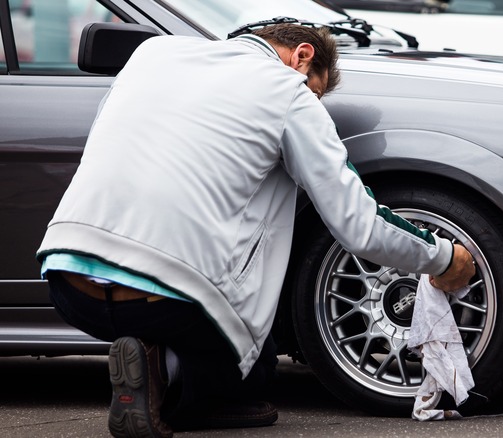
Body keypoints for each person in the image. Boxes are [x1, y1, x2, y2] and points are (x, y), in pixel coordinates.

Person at [36, 23, 475, 437]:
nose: (313, 99)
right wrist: (441, 257)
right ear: (303, 56)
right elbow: (358, 225)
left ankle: (150, 358)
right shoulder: (289, 93)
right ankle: (165, 373)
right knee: (257, 367)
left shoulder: (151, 54)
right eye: (317, 90)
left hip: (69, 281)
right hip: (169, 296)